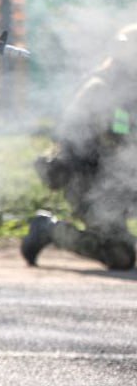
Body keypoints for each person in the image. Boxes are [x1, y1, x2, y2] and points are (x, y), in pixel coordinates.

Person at [22, 22, 137, 270]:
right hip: (90, 184)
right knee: (120, 255)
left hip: (123, 182)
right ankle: (49, 230)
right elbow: (73, 141)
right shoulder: (100, 90)